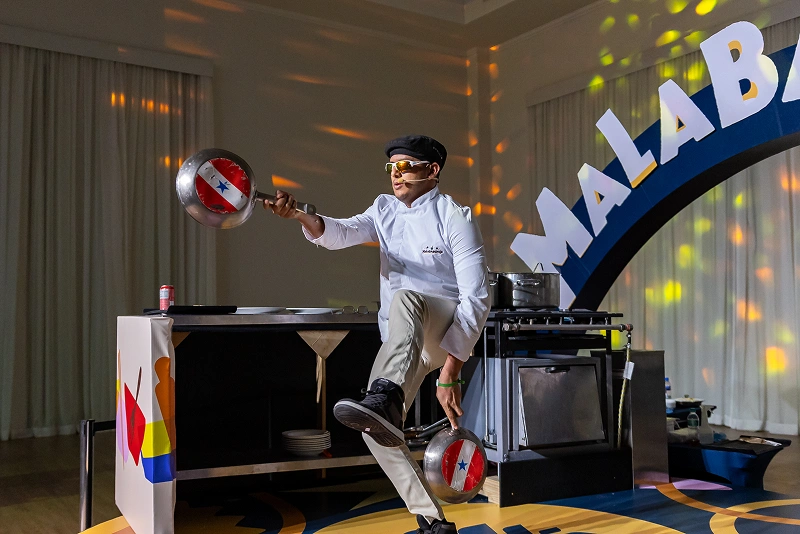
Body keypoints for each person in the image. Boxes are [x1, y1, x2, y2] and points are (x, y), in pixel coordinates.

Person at [265, 135, 490, 534]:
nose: (395, 175)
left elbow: (477, 297)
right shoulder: (383, 209)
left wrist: (451, 372)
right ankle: (433, 521)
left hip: (442, 325)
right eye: (391, 168)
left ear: (432, 170)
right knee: (372, 425)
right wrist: (298, 214)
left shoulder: (455, 216)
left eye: (405, 166)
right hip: (402, 338)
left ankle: (385, 395)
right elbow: (339, 233)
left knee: (405, 299)